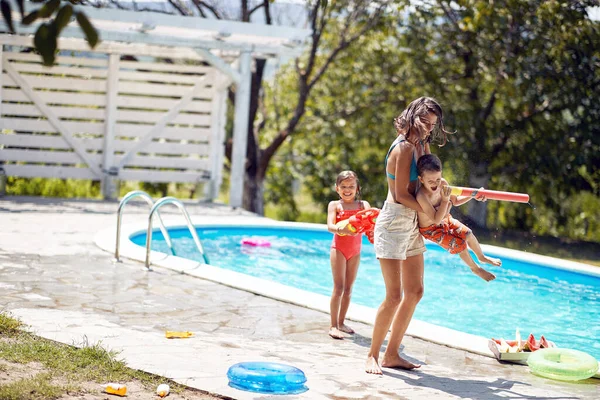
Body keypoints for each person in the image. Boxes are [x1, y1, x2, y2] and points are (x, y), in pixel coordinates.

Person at [366, 97, 454, 374]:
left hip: (412, 220)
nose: (429, 129)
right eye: (425, 122)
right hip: (394, 221)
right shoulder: (404, 148)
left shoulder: (421, 145)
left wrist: (440, 200)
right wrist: (432, 214)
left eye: (432, 124)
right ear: (412, 116)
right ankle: (372, 355)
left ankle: (392, 354)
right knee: (394, 296)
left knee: (415, 292)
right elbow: (400, 193)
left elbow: (425, 184)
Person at [416, 154, 500, 282]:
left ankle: (482, 257)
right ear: (421, 179)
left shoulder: (443, 184)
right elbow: (436, 219)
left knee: (468, 234)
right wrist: (445, 201)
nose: (435, 184)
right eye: (430, 182)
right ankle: (475, 268)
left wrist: (474, 194)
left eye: (438, 179)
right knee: (459, 244)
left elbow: (455, 201)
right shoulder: (422, 196)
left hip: (445, 219)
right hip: (431, 230)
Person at [326, 170, 371, 340]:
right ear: (337, 188)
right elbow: (330, 226)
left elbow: (370, 221)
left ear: (357, 188)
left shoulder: (362, 205)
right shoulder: (334, 205)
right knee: (338, 288)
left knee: (348, 289)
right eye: (343, 186)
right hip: (338, 248)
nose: (347, 190)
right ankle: (333, 325)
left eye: (351, 186)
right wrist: (341, 229)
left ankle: (341, 322)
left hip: (355, 251)